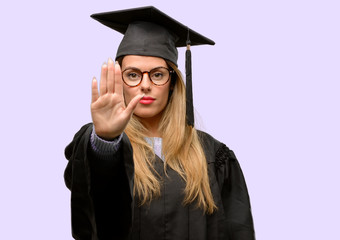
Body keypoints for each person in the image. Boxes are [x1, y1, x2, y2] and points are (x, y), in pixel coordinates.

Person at [64, 6, 255, 240]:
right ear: (119, 80)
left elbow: (239, 232)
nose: (145, 85)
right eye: (133, 74)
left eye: (157, 74)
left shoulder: (214, 156)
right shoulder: (99, 144)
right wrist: (106, 141)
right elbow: (90, 212)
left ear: (172, 81)